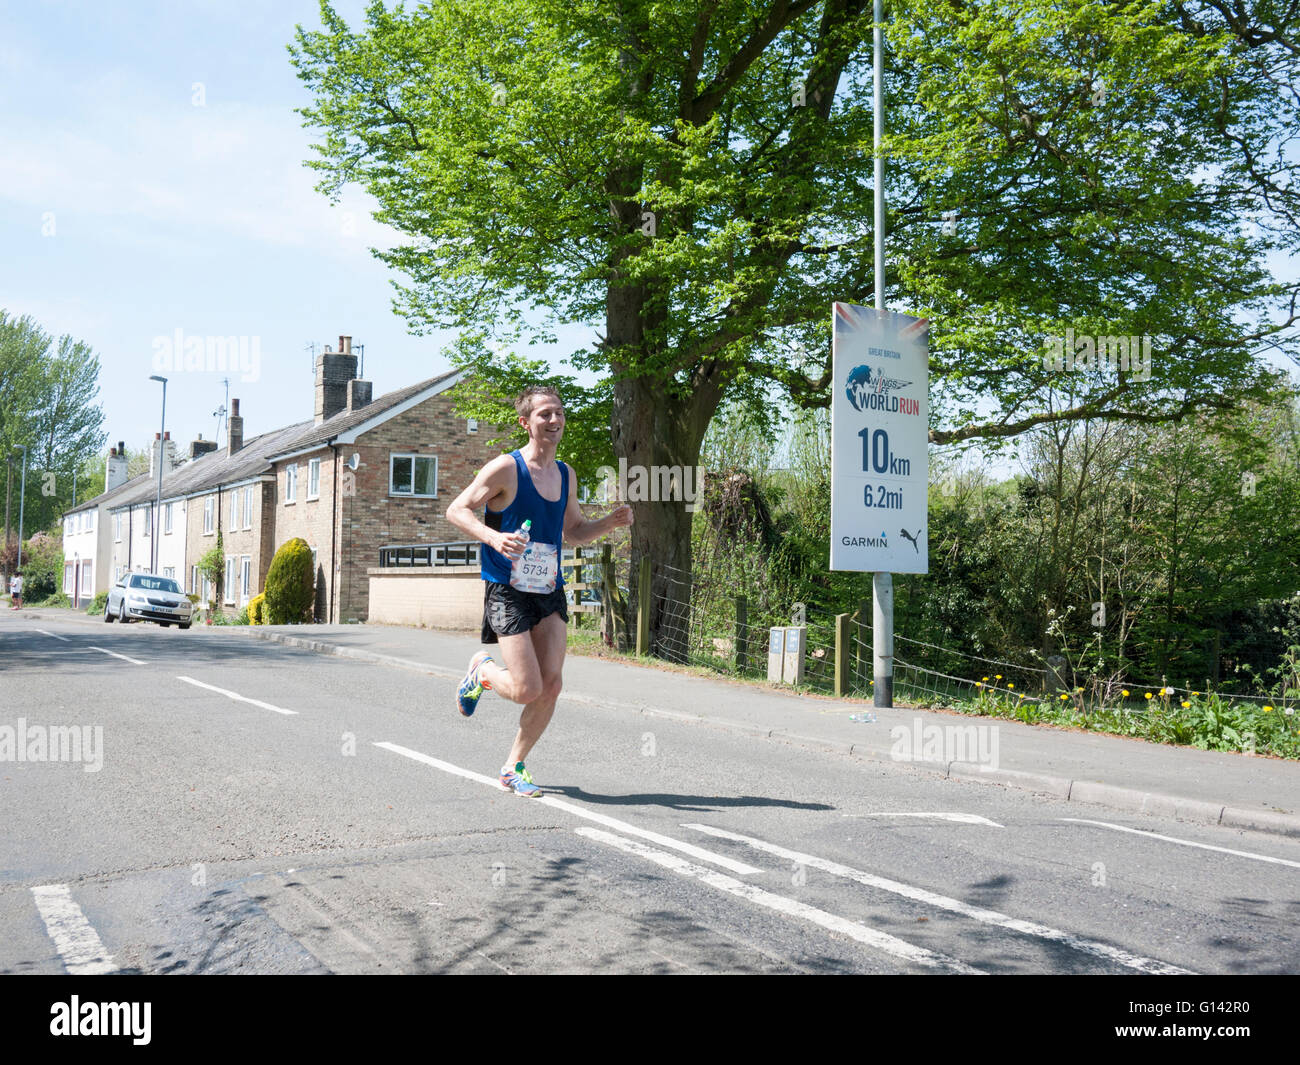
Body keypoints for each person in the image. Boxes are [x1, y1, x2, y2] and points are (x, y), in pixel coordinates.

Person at [446, 385, 633, 797]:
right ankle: (483, 672)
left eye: (559, 414)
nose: (554, 420)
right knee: (527, 688)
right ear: (526, 423)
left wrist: (611, 523)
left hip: (548, 587)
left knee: (552, 686)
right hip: (506, 588)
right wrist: (494, 539)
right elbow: (457, 509)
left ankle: (513, 766)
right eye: (545, 414)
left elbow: (573, 531)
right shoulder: (505, 470)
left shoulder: (565, 474)